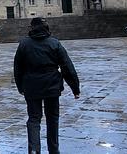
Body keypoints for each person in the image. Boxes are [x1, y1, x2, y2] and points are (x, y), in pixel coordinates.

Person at [13, 17, 80, 154]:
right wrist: (75, 88)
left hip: (31, 85)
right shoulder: (54, 43)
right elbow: (67, 66)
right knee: (52, 118)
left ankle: (33, 149)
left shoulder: (24, 44)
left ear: (32, 28)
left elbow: (17, 68)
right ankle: (54, 149)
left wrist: (21, 87)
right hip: (51, 85)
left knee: (33, 118)